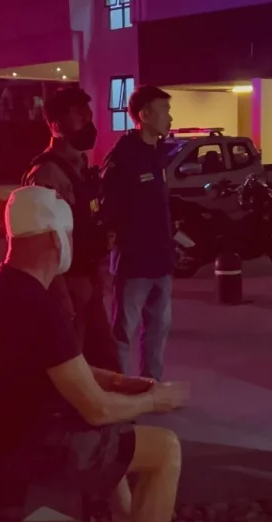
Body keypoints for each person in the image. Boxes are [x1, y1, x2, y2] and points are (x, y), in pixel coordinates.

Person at [0, 185, 189, 522]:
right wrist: (156, 400)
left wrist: (122, 382)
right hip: (13, 449)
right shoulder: (36, 306)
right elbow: (97, 409)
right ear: (54, 239)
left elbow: (64, 366)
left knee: (115, 413)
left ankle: (126, 521)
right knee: (164, 448)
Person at [22, 86, 119, 371]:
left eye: (89, 117)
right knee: (71, 363)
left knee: (104, 360)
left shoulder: (79, 165)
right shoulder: (47, 173)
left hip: (88, 277)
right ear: (56, 126)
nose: (89, 125)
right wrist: (62, 294)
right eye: (80, 118)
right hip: (68, 283)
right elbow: (40, 241)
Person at [101, 85, 175, 381]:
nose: (170, 117)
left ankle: (151, 384)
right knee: (123, 331)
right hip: (133, 263)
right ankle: (117, 387)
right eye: (164, 110)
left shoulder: (158, 153)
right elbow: (109, 208)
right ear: (144, 115)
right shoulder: (123, 157)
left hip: (161, 260)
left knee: (158, 329)